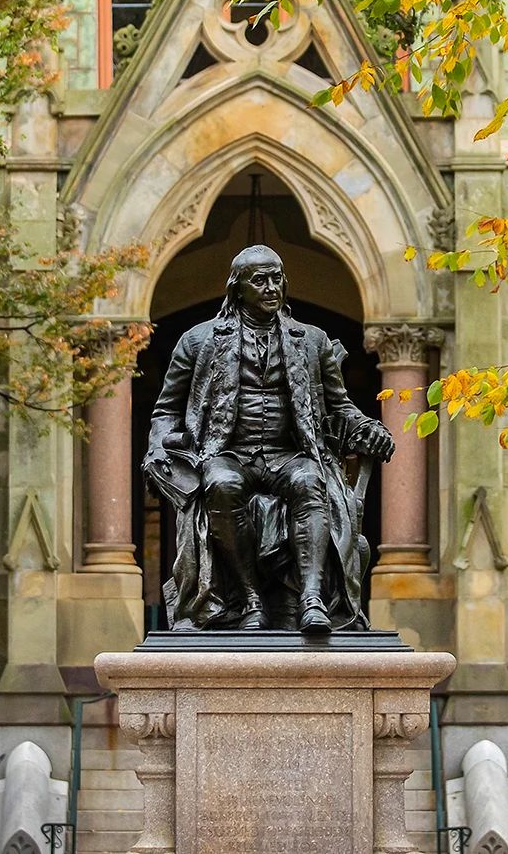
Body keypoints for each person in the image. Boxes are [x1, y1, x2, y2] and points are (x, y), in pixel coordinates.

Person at [143, 244, 395, 633]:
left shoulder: (311, 340)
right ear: (237, 288)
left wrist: (369, 429)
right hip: (228, 453)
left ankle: (312, 601)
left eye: (277, 279)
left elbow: (341, 407)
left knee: (310, 480)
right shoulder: (199, 341)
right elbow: (166, 409)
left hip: (290, 454)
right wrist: (159, 446)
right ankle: (250, 599)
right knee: (221, 485)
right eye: (259, 281)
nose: (271, 288)